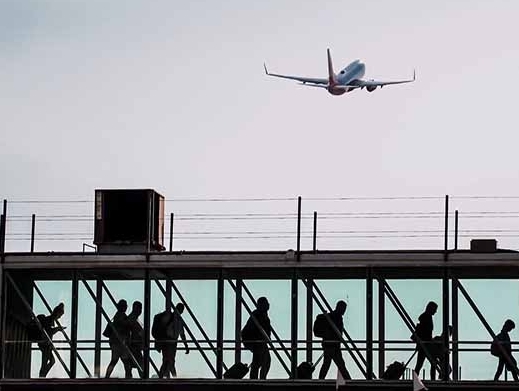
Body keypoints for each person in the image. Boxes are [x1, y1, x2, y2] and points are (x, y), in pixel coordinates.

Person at [154, 303, 190, 378]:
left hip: (167, 341)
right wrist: (186, 345)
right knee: (170, 361)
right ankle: (173, 378)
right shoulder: (178, 320)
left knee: (166, 361)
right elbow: (182, 334)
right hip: (171, 342)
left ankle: (164, 377)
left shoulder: (169, 317)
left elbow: (181, 334)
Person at [318, 300, 351, 380]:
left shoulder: (330, 316)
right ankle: (349, 382)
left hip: (329, 344)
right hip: (334, 345)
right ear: (340, 308)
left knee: (326, 364)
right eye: (344, 309)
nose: (344, 311)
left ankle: (320, 381)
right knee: (340, 365)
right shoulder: (336, 317)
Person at [242, 296, 272, 379]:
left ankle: (256, 378)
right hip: (257, 342)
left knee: (259, 361)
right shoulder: (258, 315)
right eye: (266, 303)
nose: (268, 305)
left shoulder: (259, 314)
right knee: (264, 361)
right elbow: (252, 330)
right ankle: (259, 379)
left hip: (258, 342)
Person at [105, 299, 132, 378]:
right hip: (119, 342)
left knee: (117, 361)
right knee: (122, 361)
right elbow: (124, 326)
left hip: (117, 342)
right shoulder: (121, 316)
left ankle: (107, 376)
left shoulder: (118, 316)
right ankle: (128, 377)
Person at [38, 303, 65, 377]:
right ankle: (41, 376)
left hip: (46, 344)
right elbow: (49, 331)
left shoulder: (50, 319)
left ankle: (42, 376)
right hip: (45, 344)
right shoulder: (49, 320)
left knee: (49, 361)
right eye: (60, 315)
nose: (59, 317)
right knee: (46, 362)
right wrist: (58, 329)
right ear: (57, 313)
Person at [413, 301, 438, 378]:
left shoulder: (425, 317)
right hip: (426, 344)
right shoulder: (427, 317)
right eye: (435, 309)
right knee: (433, 362)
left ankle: (415, 379)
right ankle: (432, 380)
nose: (435, 311)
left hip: (424, 344)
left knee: (420, 364)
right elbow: (426, 332)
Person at [127, 301, 144, 378]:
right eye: (139, 309)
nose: (140, 311)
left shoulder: (134, 319)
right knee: (139, 364)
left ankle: (129, 379)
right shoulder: (132, 319)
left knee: (131, 365)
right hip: (134, 346)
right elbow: (129, 332)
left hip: (136, 346)